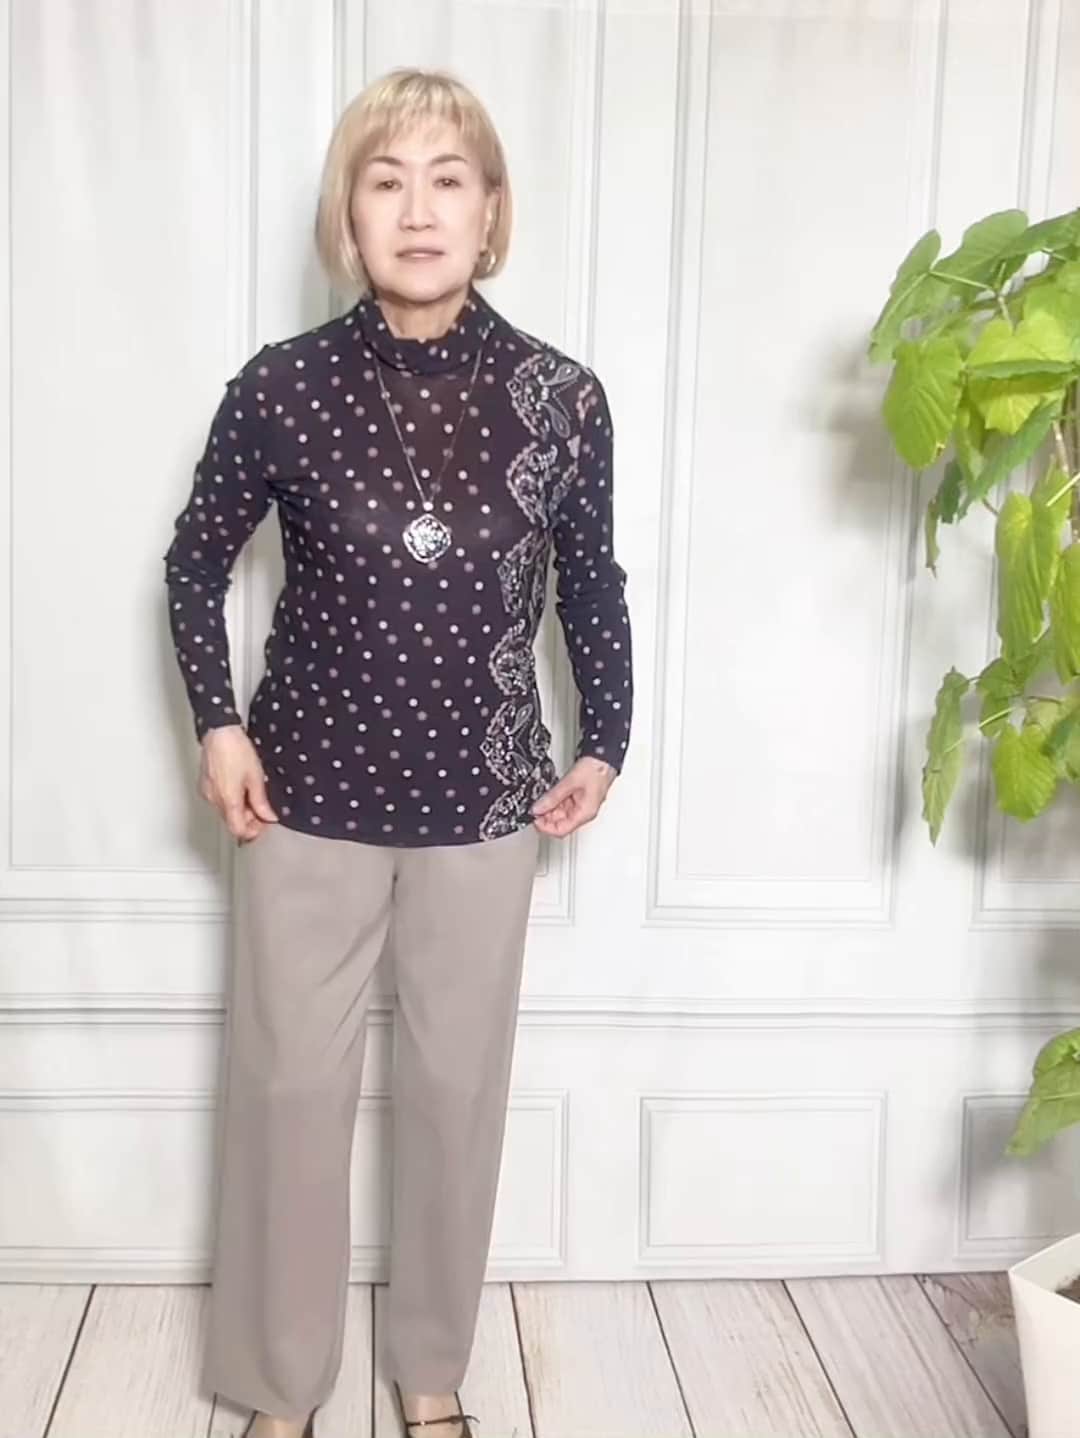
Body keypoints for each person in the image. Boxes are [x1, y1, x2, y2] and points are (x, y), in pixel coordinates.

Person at [163, 66, 633, 1438]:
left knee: (454, 1094)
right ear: (348, 216)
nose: (418, 210)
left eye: (447, 180)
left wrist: (607, 738)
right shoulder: (281, 387)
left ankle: (431, 1371)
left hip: (487, 803)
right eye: (386, 182)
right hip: (302, 798)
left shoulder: (561, 397)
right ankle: (278, 1388)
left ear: (491, 212)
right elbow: (194, 563)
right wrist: (217, 722)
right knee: (288, 1092)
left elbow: (590, 581)